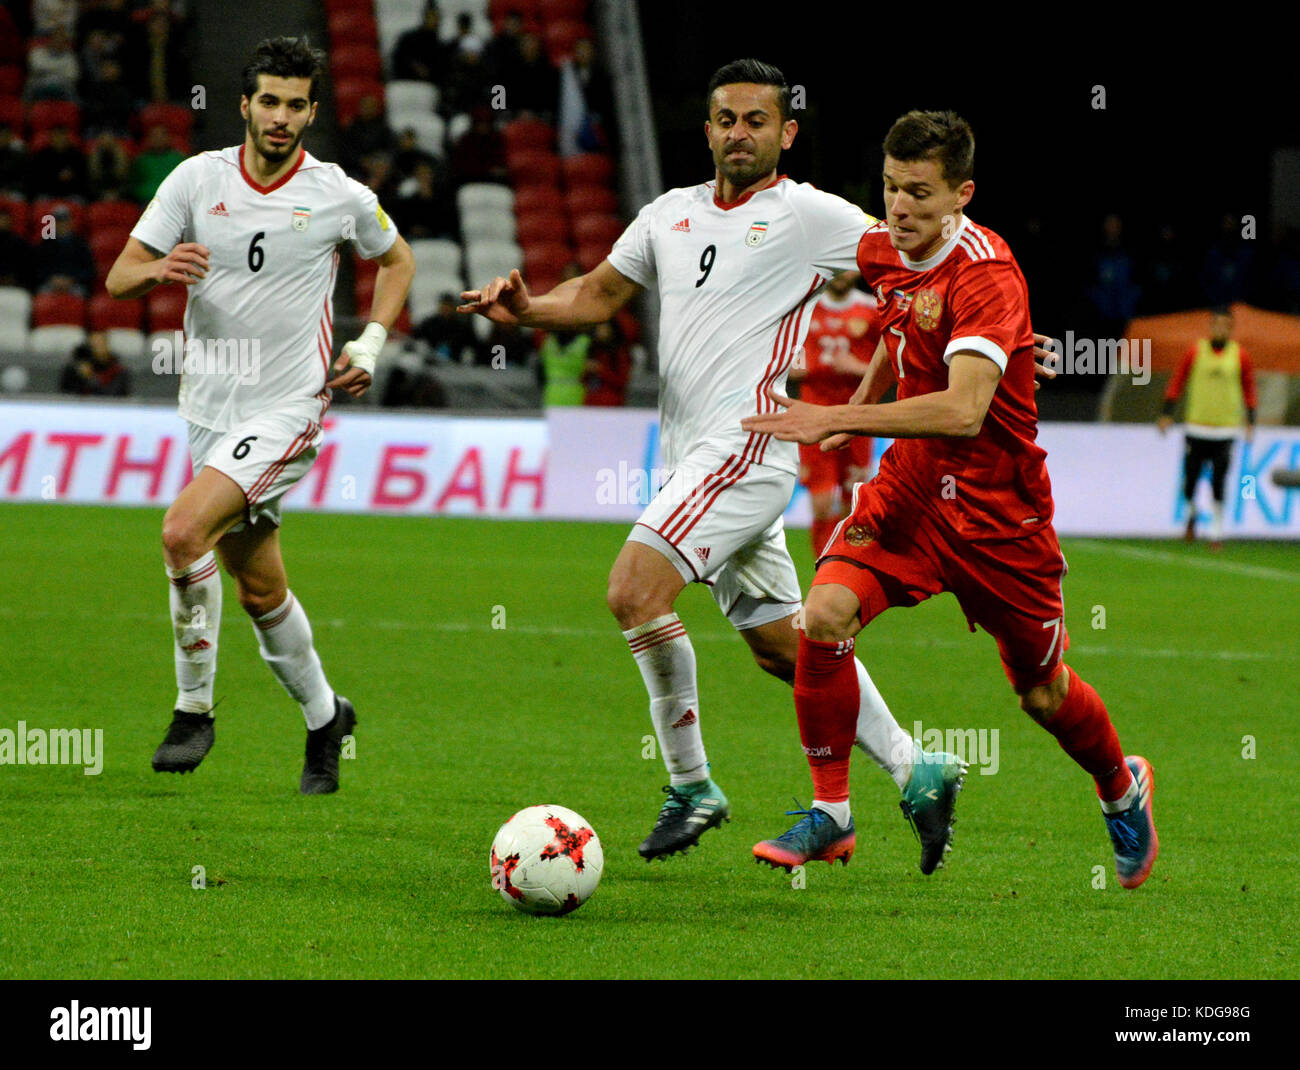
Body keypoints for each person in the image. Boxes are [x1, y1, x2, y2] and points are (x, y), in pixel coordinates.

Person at [461, 60, 966, 868]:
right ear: (706, 129)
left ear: (785, 132)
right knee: (786, 648)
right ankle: (919, 768)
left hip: (748, 448)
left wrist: (999, 336)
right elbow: (594, 295)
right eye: (726, 119)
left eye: (757, 121)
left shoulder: (810, 216)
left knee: (632, 591)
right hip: (692, 457)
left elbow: (926, 248)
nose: (740, 133)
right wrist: (527, 310)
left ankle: (693, 786)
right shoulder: (669, 215)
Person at [742, 110, 1158, 890]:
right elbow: (901, 334)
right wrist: (864, 395)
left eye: (921, 196)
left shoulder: (987, 273)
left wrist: (838, 416)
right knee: (823, 617)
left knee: (1042, 691)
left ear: (962, 194)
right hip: (910, 492)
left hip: (1000, 514)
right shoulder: (882, 247)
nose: (899, 210)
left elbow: (965, 409)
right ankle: (831, 811)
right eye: (892, 189)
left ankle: (1120, 787)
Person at [105, 35, 415, 792]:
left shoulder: (336, 192)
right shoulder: (194, 179)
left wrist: (369, 344)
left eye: (295, 104)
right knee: (260, 588)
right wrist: (159, 269)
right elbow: (119, 277)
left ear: (312, 112)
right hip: (209, 409)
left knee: (182, 532)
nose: (280, 117)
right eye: (268, 101)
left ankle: (194, 708)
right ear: (244, 105)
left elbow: (399, 259)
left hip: (288, 407)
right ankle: (324, 717)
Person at [785, 270, 879, 556]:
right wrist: (795, 369)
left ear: (858, 268)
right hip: (814, 418)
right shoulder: (804, 307)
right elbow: (779, 358)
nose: (840, 272)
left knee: (855, 501)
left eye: (847, 265)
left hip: (858, 420)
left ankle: (849, 568)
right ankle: (823, 570)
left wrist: (858, 368)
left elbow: (893, 366)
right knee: (823, 502)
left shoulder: (874, 309)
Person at [1158, 306, 1257, 548]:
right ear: (1211, 326)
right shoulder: (1196, 351)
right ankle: (1191, 514)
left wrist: (1250, 421)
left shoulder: (1240, 355)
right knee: (1191, 479)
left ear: (1231, 328)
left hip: (1225, 428)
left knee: (1219, 479)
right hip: (1197, 426)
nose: (1221, 329)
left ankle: (1216, 531)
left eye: (1226, 325)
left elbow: (1249, 389)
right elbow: (1178, 380)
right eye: (1217, 324)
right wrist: (1167, 413)